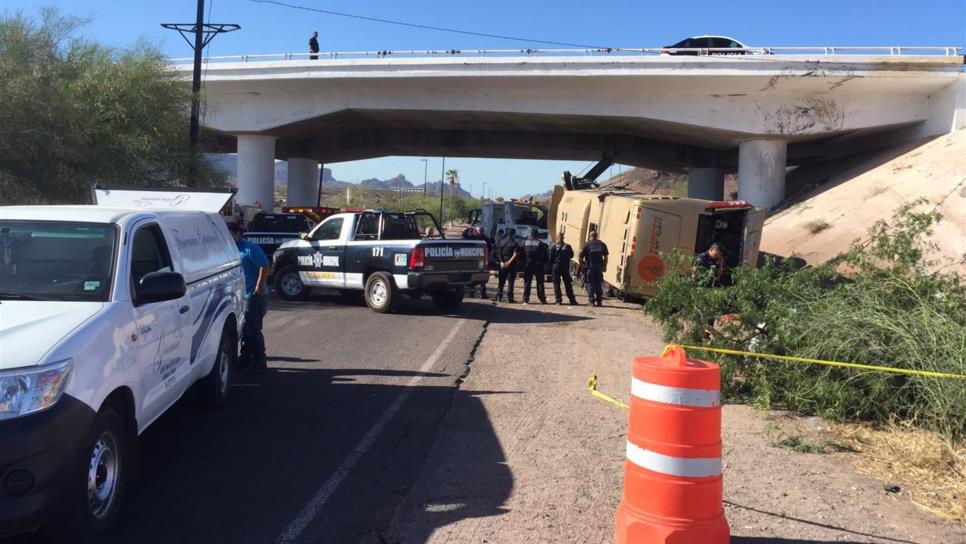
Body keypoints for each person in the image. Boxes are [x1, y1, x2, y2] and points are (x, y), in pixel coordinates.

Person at [228, 222, 271, 374]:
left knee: (253, 328)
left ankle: (260, 361)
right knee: (245, 328)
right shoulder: (229, 250)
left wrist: (259, 287)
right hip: (239, 296)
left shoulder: (249, 248)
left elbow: (264, 265)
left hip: (254, 295)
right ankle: (246, 358)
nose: (230, 237)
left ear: (238, 234)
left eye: (232, 234)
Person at [579, 230, 608, 307]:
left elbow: (580, 257)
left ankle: (591, 302)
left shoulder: (587, 245)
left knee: (590, 284)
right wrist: (604, 266)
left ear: (589, 236)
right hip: (599, 267)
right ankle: (599, 301)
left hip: (590, 267)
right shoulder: (602, 244)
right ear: (597, 236)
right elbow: (606, 257)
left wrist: (582, 265)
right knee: (598, 284)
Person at [548, 231, 578, 305]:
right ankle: (572, 300)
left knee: (556, 284)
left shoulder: (554, 247)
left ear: (557, 238)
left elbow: (550, 257)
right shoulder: (568, 246)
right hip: (565, 267)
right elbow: (571, 255)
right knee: (568, 284)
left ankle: (558, 300)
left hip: (556, 267)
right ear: (563, 238)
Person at [493, 227, 520, 303]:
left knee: (501, 281)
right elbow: (515, 254)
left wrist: (501, 262)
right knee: (510, 282)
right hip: (510, 264)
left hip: (502, 263)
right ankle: (509, 298)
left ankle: (499, 296)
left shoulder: (502, 242)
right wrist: (509, 262)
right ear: (513, 234)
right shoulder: (514, 243)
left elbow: (499, 253)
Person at [463, 226, 492, 298]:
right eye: (478, 231)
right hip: (474, 260)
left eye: (479, 231)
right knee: (473, 276)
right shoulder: (474, 237)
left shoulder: (484, 239)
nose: (479, 232)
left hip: (480, 260)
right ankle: (471, 294)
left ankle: (482, 294)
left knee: (481, 277)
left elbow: (490, 249)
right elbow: (464, 235)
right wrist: (470, 228)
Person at [521, 230, 548, 304]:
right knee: (540, 282)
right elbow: (546, 256)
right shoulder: (540, 243)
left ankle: (525, 299)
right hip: (538, 265)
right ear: (537, 235)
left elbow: (520, 253)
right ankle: (542, 299)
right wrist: (543, 263)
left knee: (527, 282)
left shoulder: (525, 242)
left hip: (528, 264)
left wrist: (524, 262)